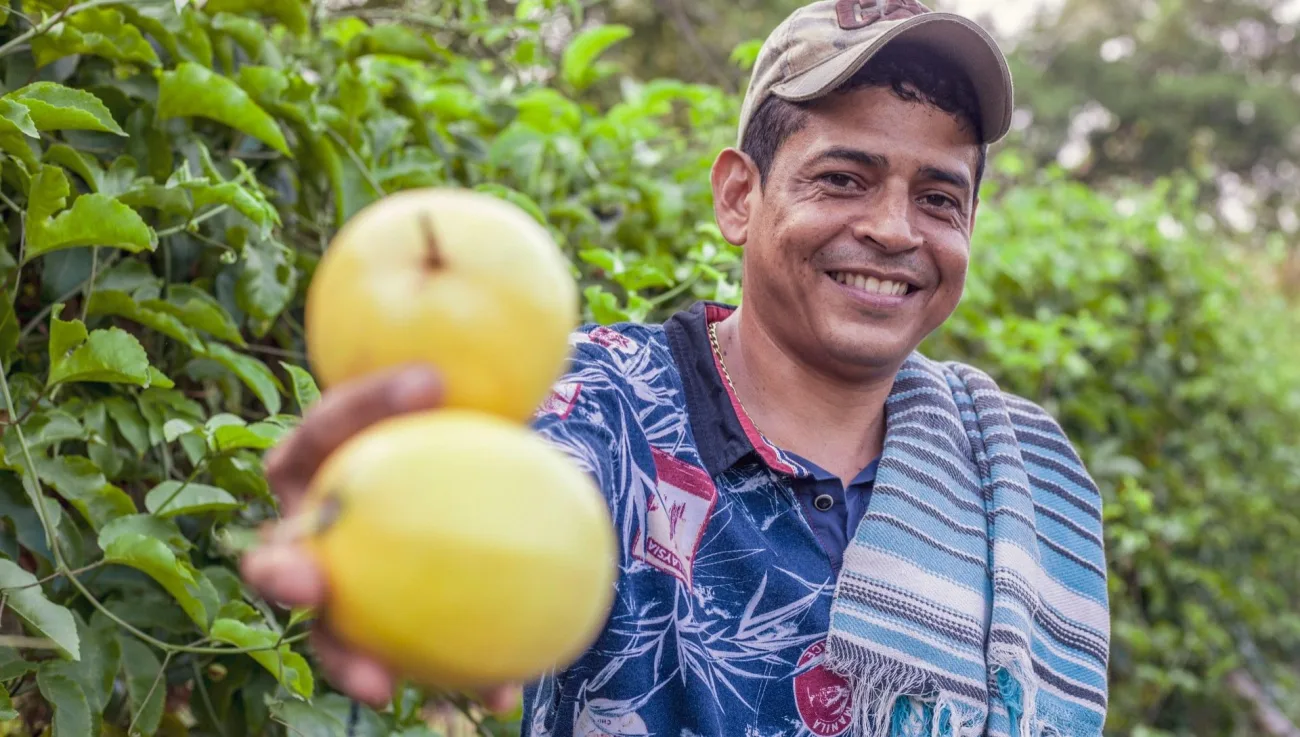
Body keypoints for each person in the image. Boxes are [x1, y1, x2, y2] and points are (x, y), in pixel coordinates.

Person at [241, 0, 1111, 735]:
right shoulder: (602, 405)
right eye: (844, 177)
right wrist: (375, 516)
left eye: (938, 198)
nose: (894, 228)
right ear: (739, 195)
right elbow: (500, 481)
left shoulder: (1017, 469)